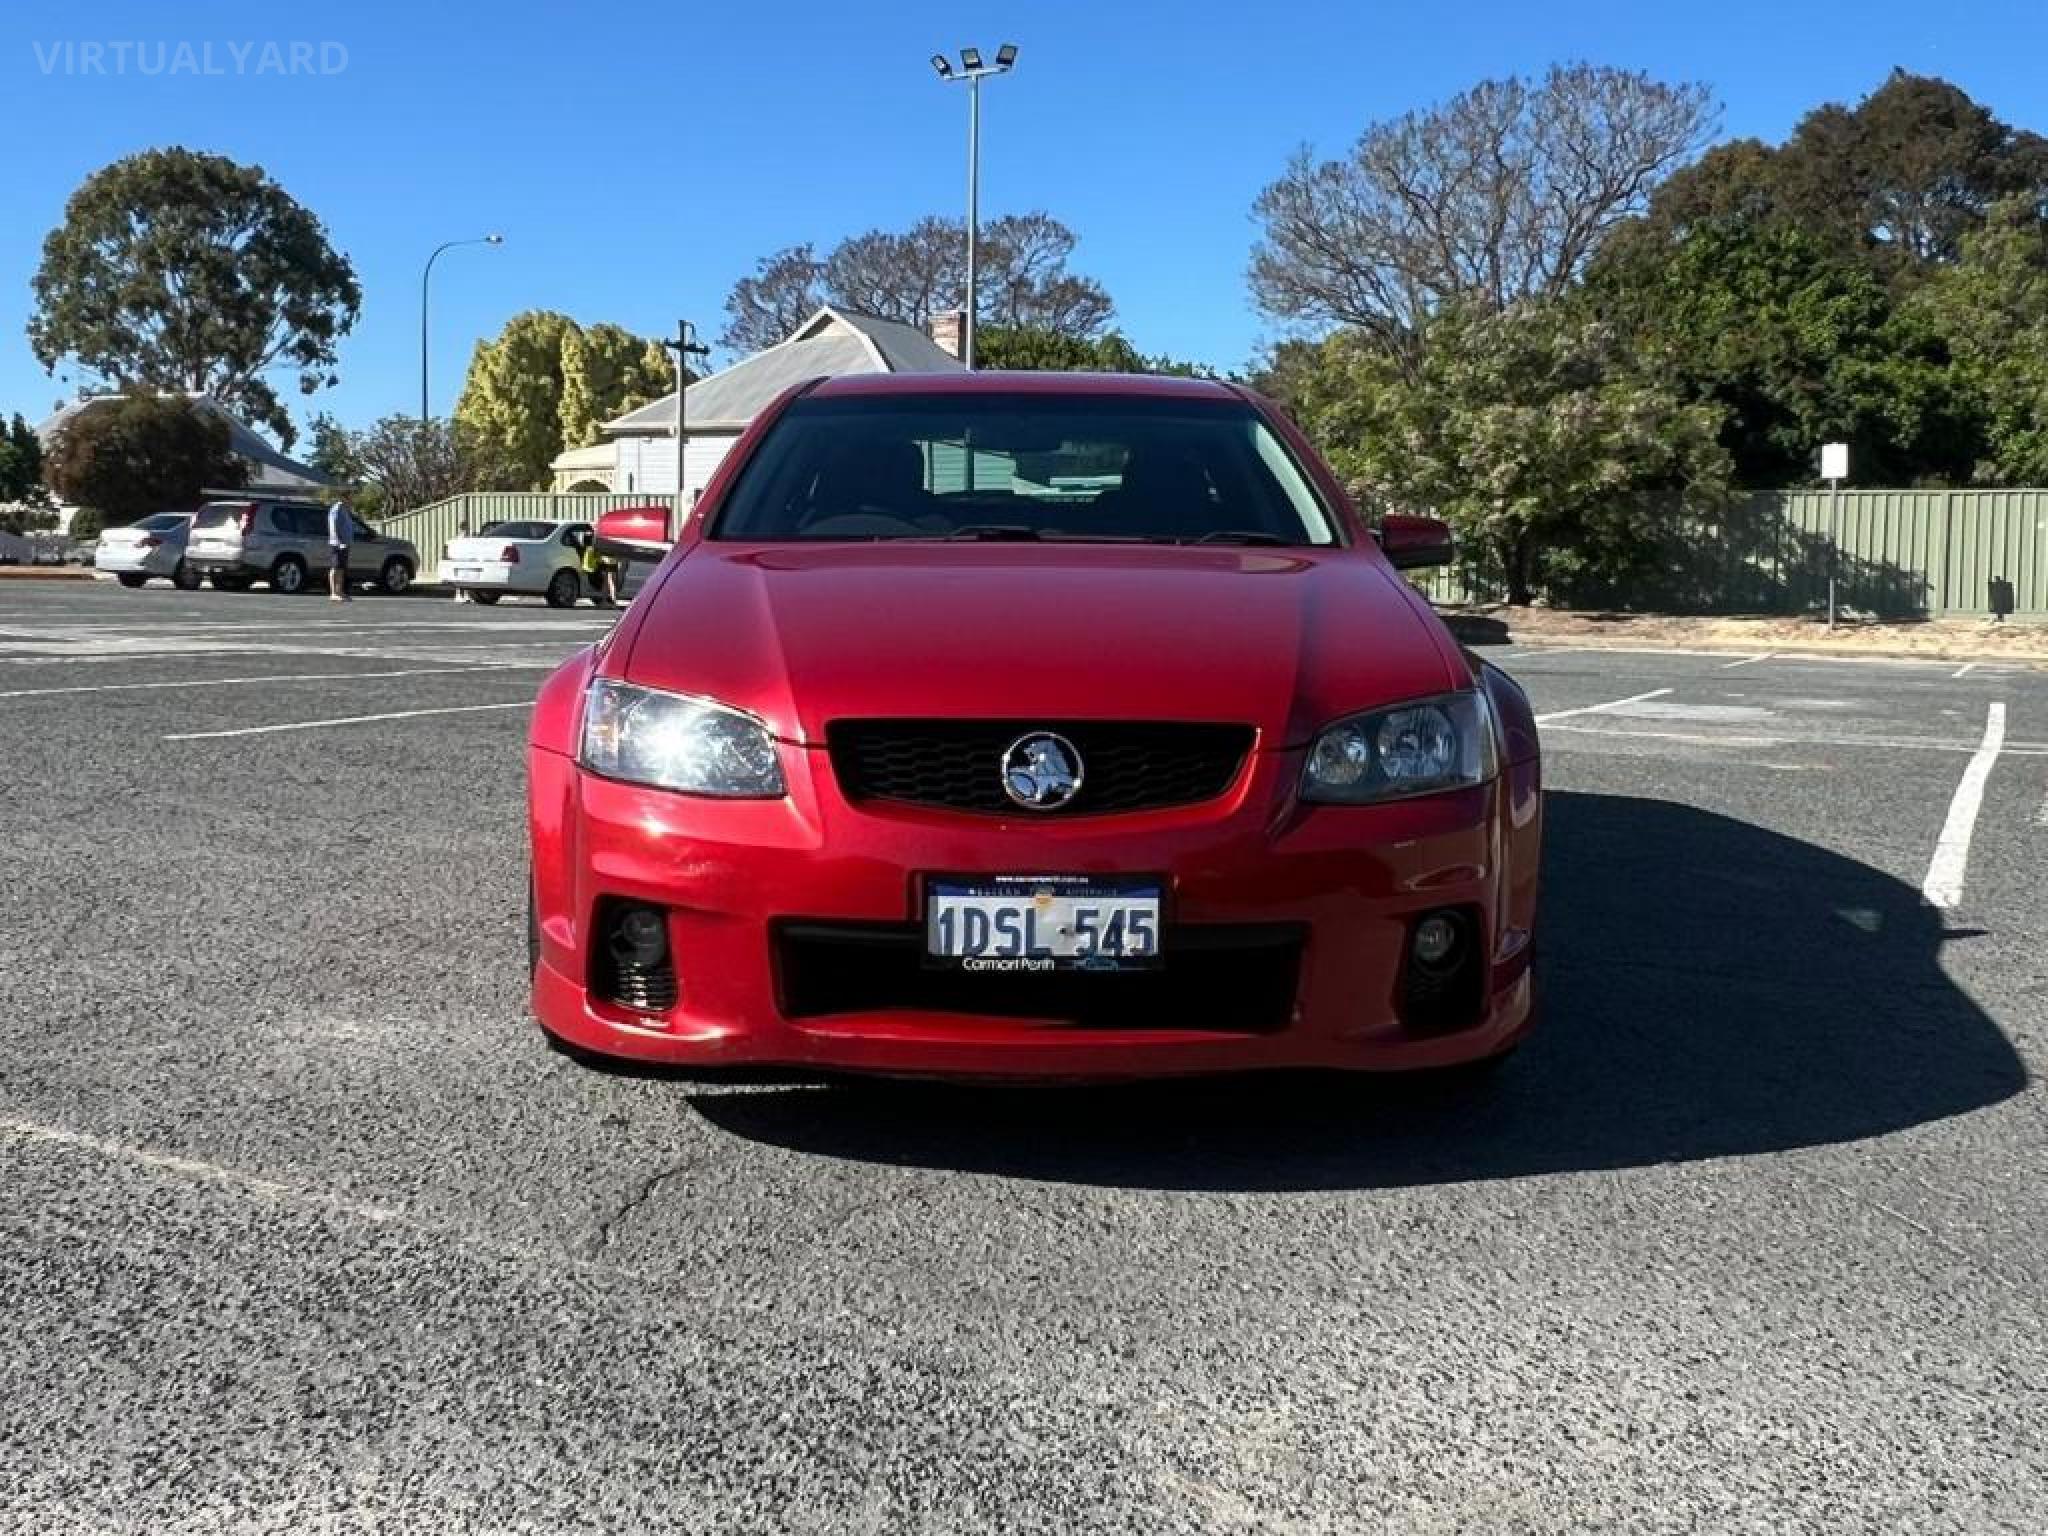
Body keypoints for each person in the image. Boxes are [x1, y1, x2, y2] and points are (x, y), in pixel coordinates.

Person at [327, 497, 354, 601]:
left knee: (341, 569)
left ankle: (340, 592)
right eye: (351, 497)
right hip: (337, 543)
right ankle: (333, 593)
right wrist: (338, 541)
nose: (352, 500)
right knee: (335, 567)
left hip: (345, 543)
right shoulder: (337, 508)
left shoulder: (344, 509)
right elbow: (333, 525)